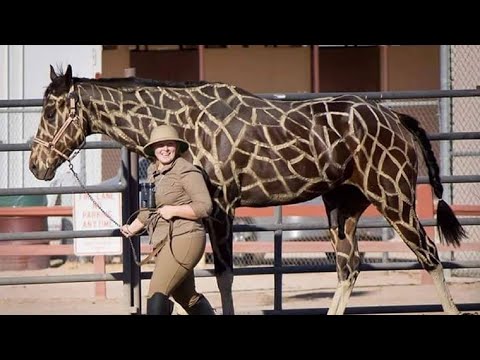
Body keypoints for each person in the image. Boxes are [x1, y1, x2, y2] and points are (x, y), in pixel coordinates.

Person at [120, 125, 215, 315]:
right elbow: (150, 210)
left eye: (169, 144)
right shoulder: (152, 172)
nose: (165, 149)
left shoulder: (187, 171)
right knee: (187, 297)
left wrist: (174, 210)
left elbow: (205, 206)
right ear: (153, 149)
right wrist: (132, 228)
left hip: (185, 238)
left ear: (177, 147)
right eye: (160, 145)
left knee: (157, 293)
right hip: (165, 241)